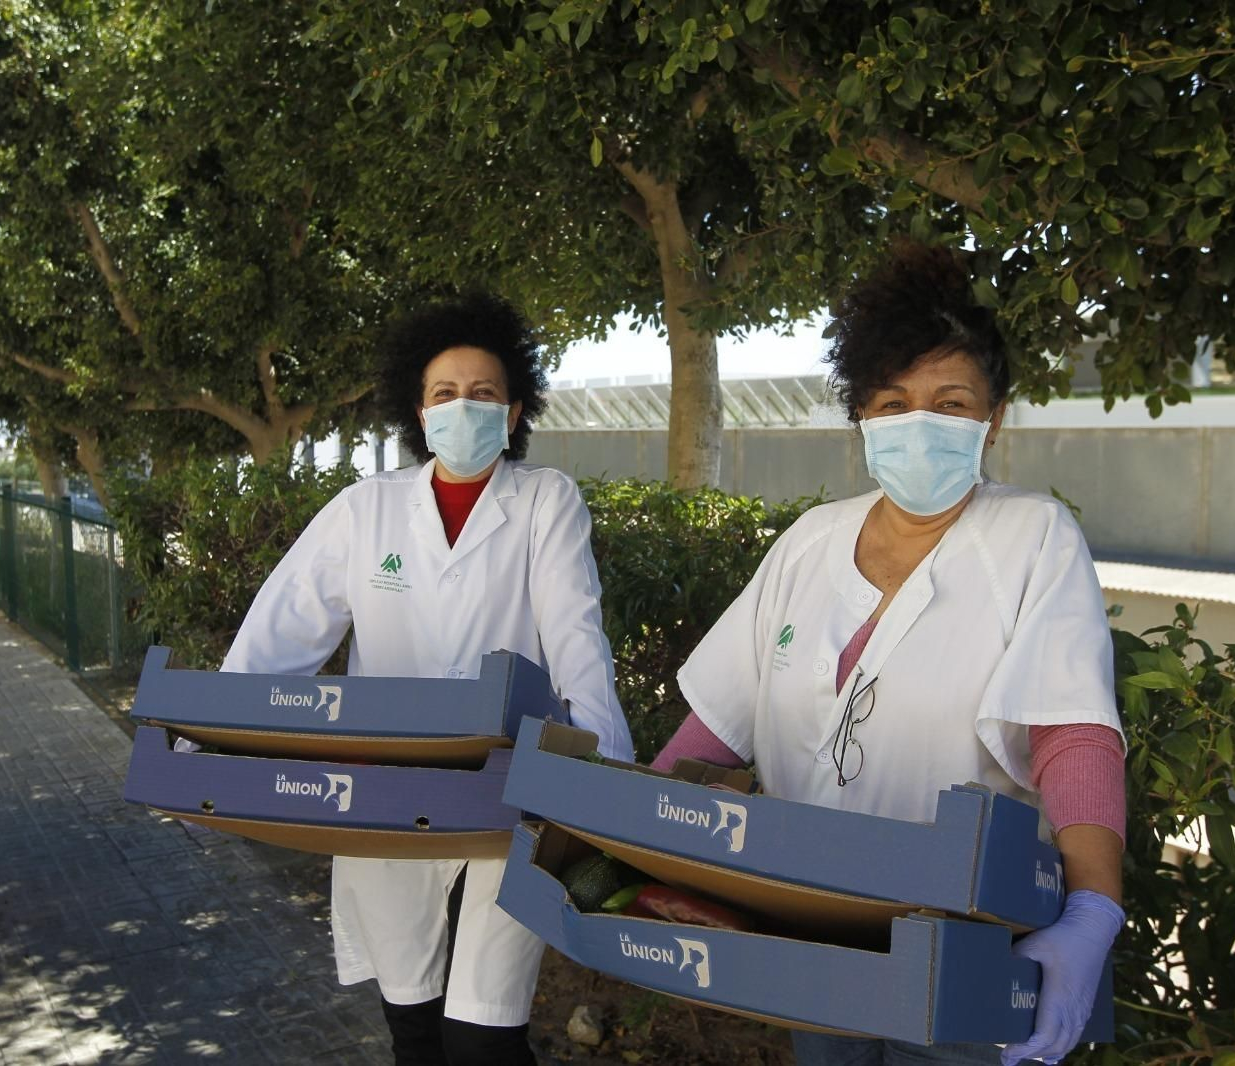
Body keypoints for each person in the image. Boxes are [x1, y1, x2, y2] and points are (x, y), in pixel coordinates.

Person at [656, 245, 1127, 1066]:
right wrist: (631, 837)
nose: (920, 424)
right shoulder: (809, 543)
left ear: (993, 419)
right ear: (863, 417)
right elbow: (718, 727)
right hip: (811, 925)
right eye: (893, 402)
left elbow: (1071, 729)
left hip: (967, 935)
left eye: (951, 403)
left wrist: (1093, 911)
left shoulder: (1031, 537)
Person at [221, 292, 633, 1066]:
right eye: (445, 392)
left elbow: (578, 639)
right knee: (414, 1031)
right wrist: (213, 737)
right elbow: (281, 633)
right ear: (419, 410)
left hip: (507, 797)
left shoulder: (545, 502)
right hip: (386, 794)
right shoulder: (364, 510)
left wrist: (604, 776)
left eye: (483, 392)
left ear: (513, 412)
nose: (462, 407)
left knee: (482, 1039)